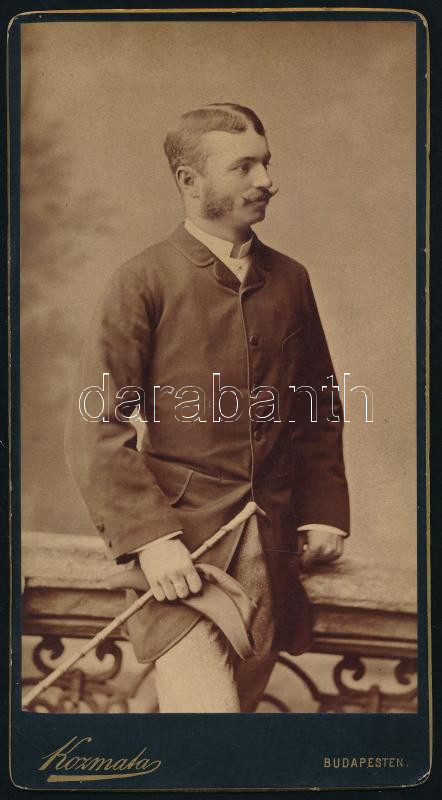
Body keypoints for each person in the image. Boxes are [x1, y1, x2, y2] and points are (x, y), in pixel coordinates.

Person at [65, 103, 350, 712]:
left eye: (266, 163)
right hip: (182, 558)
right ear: (190, 181)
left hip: (272, 548)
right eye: (243, 167)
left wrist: (324, 511)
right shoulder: (142, 280)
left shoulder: (291, 280)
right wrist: (151, 540)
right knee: (208, 724)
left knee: (224, 726)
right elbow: (96, 423)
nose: (266, 180)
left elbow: (318, 406)